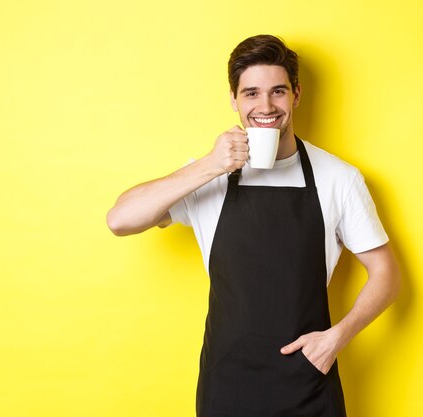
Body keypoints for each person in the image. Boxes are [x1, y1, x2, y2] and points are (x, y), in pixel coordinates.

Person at [107, 34, 401, 417]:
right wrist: (211, 165)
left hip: (309, 383)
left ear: (296, 94)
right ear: (233, 99)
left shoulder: (338, 178)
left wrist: (337, 338)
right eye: (251, 93)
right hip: (227, 385)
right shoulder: (207, 173)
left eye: (277, 92)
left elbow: (386, 274)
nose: (265, 106)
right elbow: (120, 220)